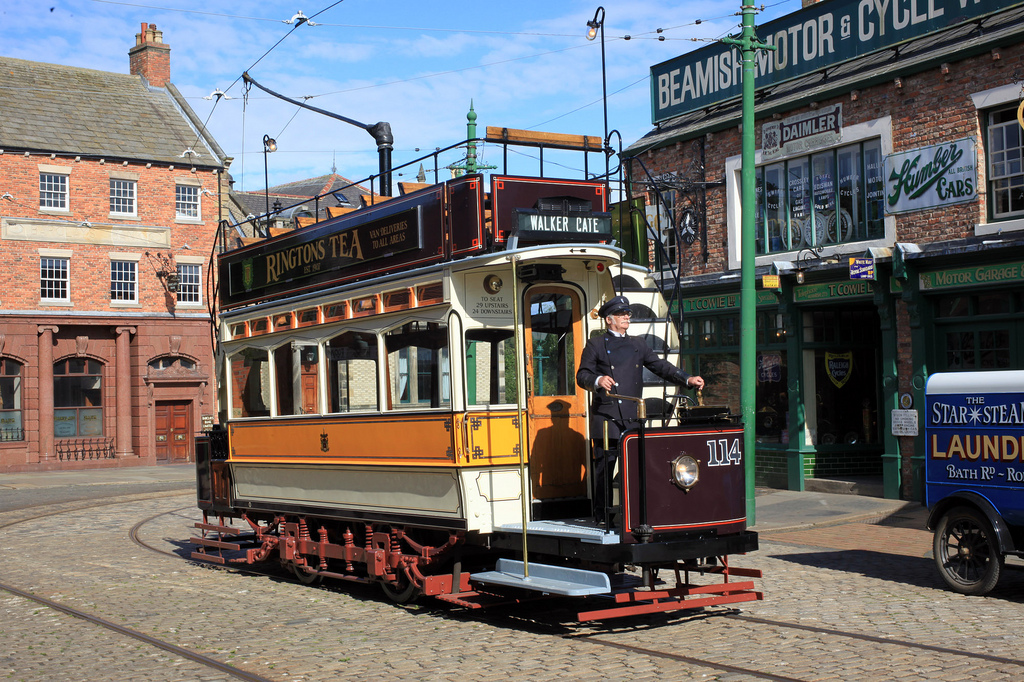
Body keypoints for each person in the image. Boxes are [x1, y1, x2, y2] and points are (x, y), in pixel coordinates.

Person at [576, 295, 704, 519]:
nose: (626, 317)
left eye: (627, 314)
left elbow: (661, 366)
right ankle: (602, 516)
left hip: (633, 416)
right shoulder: (595, 344)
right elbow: (582, 375)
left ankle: (633, 514)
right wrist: (598, 381)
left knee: (634, 468)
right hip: (607, 417)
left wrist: (687, 379)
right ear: (609, 320)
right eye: (621, 314)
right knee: (604, 469)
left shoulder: (638, 344)